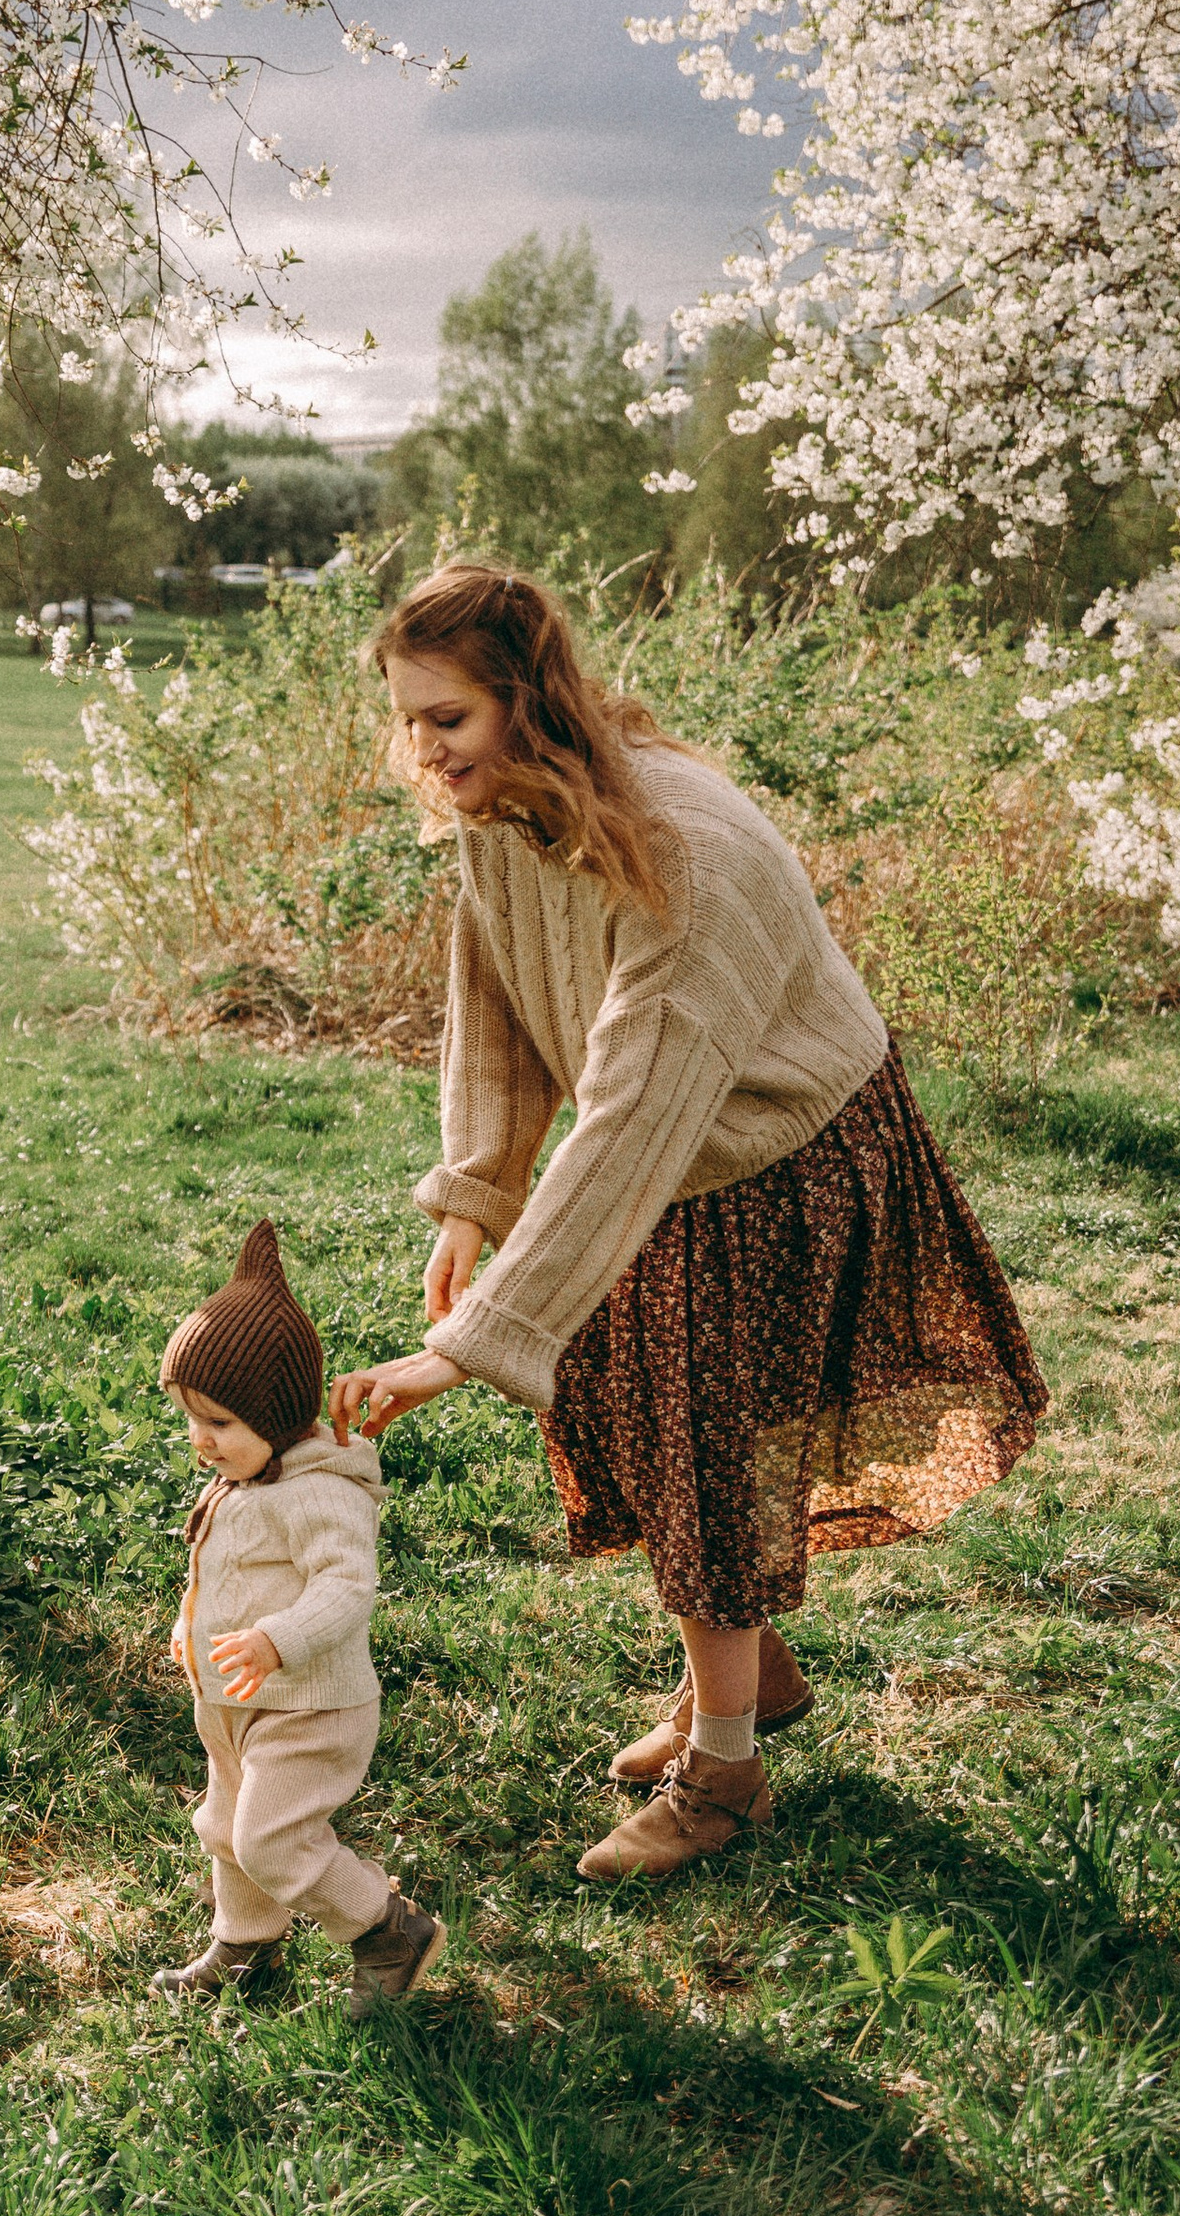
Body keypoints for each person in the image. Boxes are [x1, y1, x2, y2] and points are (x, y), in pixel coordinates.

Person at [327, 562, 1046, 1883]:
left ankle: (725, 1776)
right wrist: (476, 1194)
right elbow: (490, 994)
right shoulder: (503, 811)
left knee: (705, 1438)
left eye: (451, 721)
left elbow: (634, 1112)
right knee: (625, 1398)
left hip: (774, 1150)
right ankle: (747, 1673)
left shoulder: (682, 855)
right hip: (668, 1143)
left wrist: (471, 1344)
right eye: (409, 719)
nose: (424, 751)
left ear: (529, 703)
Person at [155, 1221, 445, 2011]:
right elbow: (226, 1572)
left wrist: (277, 1640)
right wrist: (194, 1628)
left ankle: (386, 1929)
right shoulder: (247, 1479)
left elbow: (347, 1589)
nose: (201, 1441)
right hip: (238, 1703)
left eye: (219, 1422)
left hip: (311, 1705)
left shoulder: (317, 1491)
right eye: (191, 1417)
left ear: (277, 1416)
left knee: (272, 1837)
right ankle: (246, 1942)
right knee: (225, 1826)